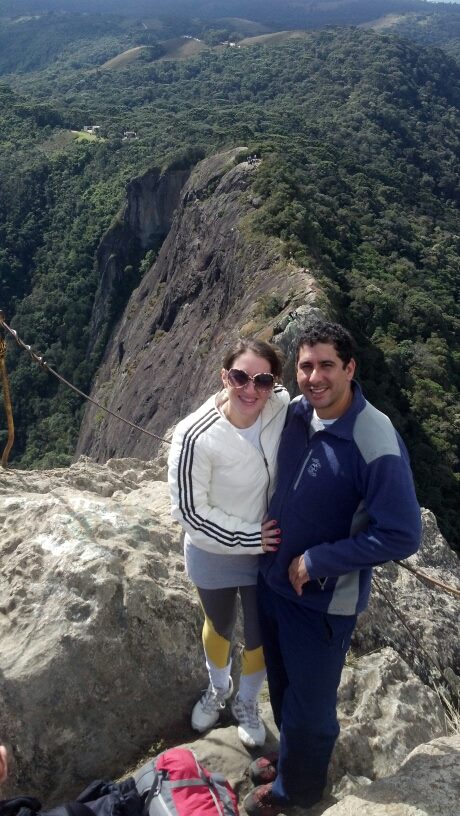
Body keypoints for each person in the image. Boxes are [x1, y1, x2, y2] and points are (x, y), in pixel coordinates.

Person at [244, 321, 422, 814]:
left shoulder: (373, 439)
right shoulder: (299, 413)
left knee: (312, 707)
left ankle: (297, 795)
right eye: (306, 366)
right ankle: (290, 760)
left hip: (321, 601)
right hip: (274, 580)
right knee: (282, 685)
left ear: (350, 368)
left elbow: (403, 534)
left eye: (327, 365)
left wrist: (320, 560)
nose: (314, 377)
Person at [168, 339, 289, 748]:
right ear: (224, 377)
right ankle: (219, 688)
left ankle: (247, 701)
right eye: (240, 377)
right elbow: (190, 512)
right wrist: (251, 536)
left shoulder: (280, 408)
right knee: (219, 628)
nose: (250, 389)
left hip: (264, 554)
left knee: (260, 634)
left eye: (262, 380)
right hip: (215, 552)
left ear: (274, 384)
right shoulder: (195, 434)